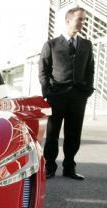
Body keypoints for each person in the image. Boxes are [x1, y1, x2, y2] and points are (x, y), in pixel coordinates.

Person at [39, 7, 94, 180]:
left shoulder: (86, 44)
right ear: (68, 20)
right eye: (80, 19)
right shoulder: (51, 44)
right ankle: (49, 167)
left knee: (74, 133)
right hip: (57, 96)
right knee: (53, 134)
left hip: (78, 97)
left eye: (84, 19)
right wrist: (48, 92)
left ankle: (69, 168)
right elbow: (43, 71)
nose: (83, 22)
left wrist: (87, 90)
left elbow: (90, 68)